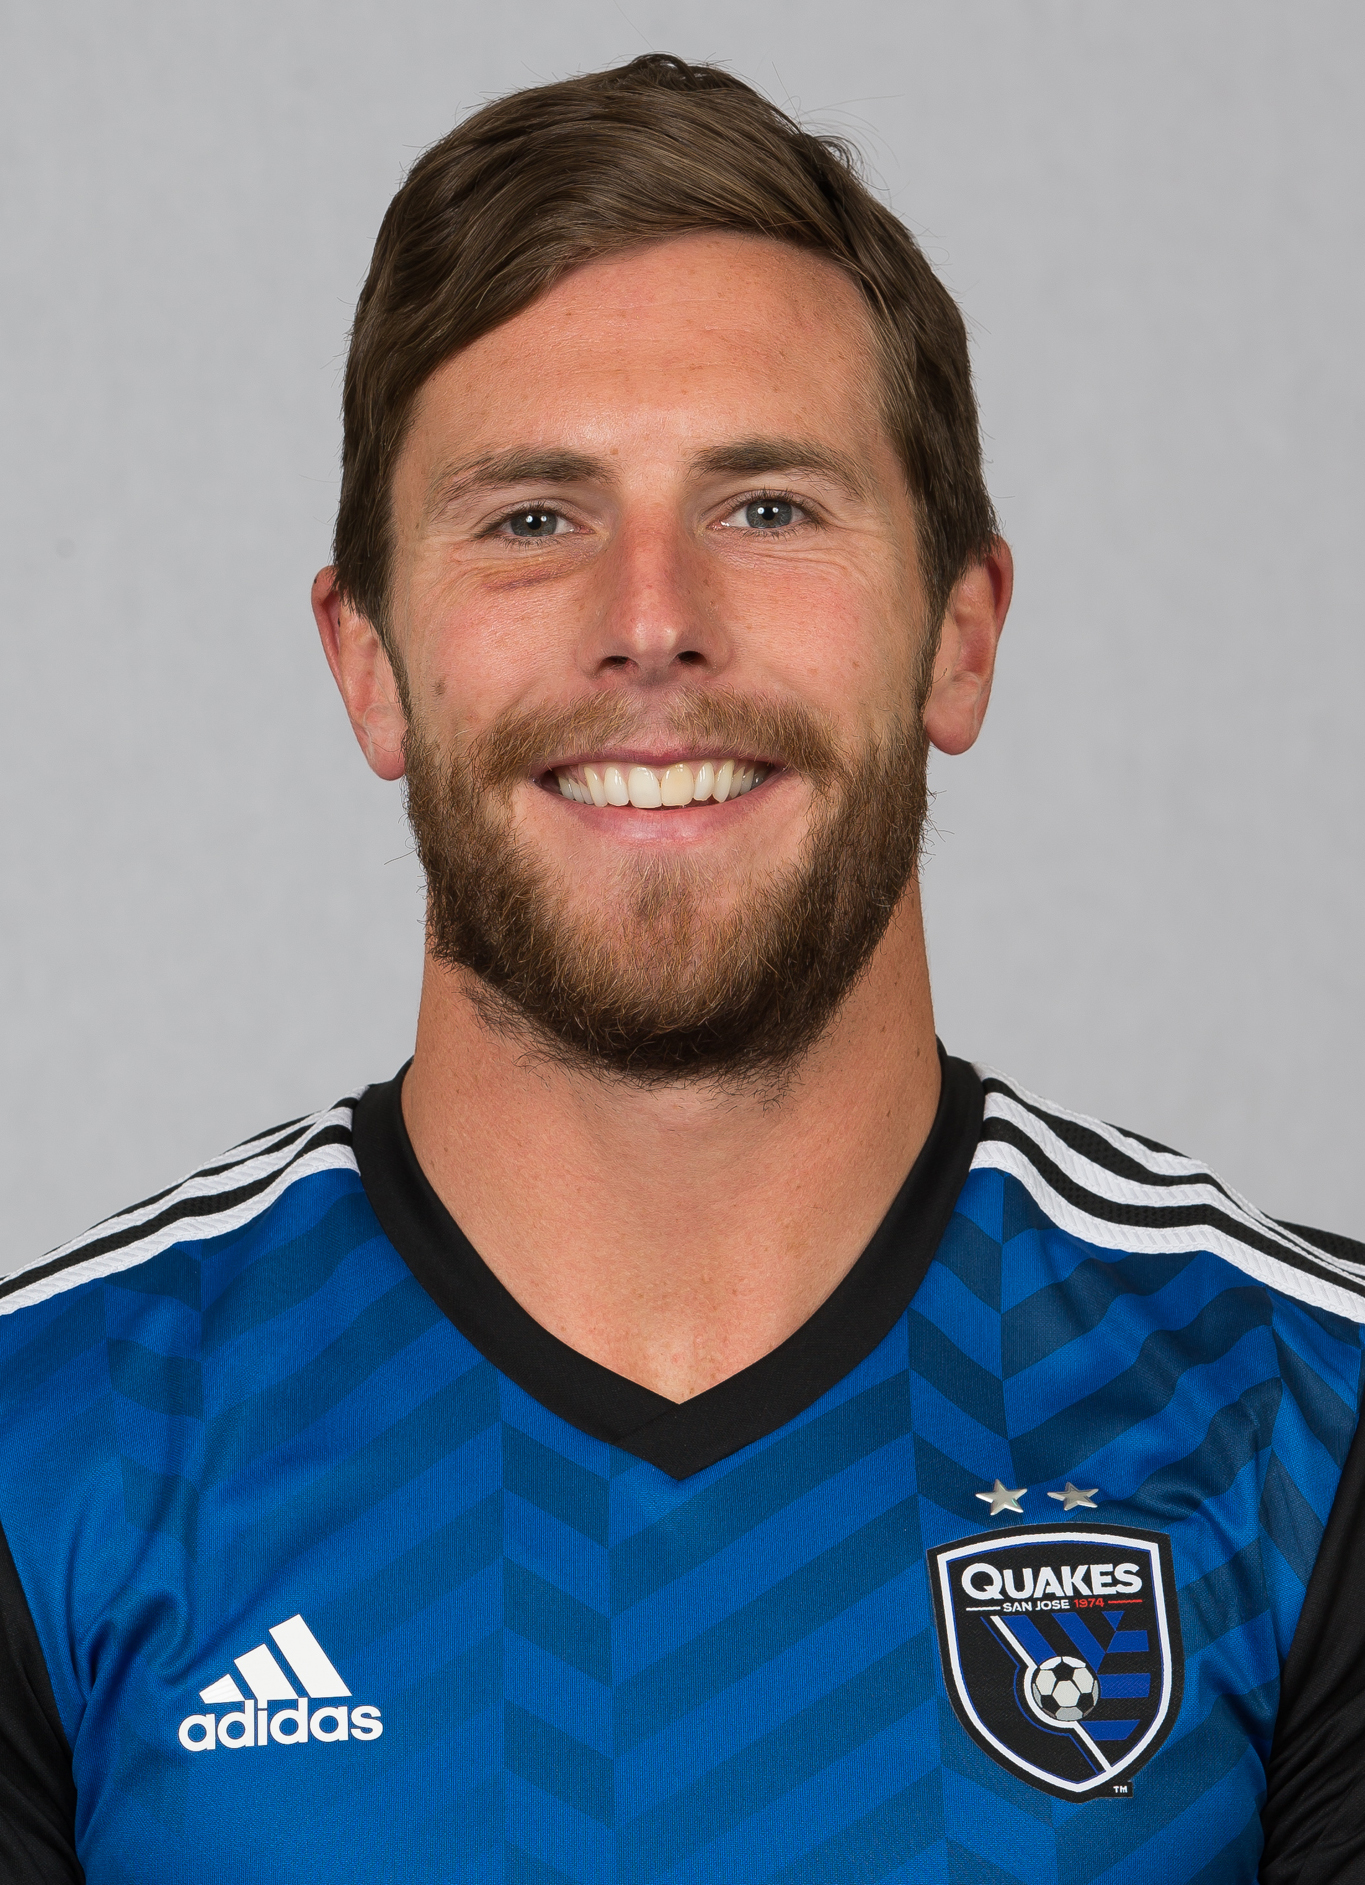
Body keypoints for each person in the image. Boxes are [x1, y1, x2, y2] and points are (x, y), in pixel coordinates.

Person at [0, 51, 1361, 1885]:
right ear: (370, 665)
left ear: (958, 636)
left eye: (768, 506)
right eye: (531, 517)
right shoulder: (50, 1451)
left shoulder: (1302, 1416)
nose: (651, 622)